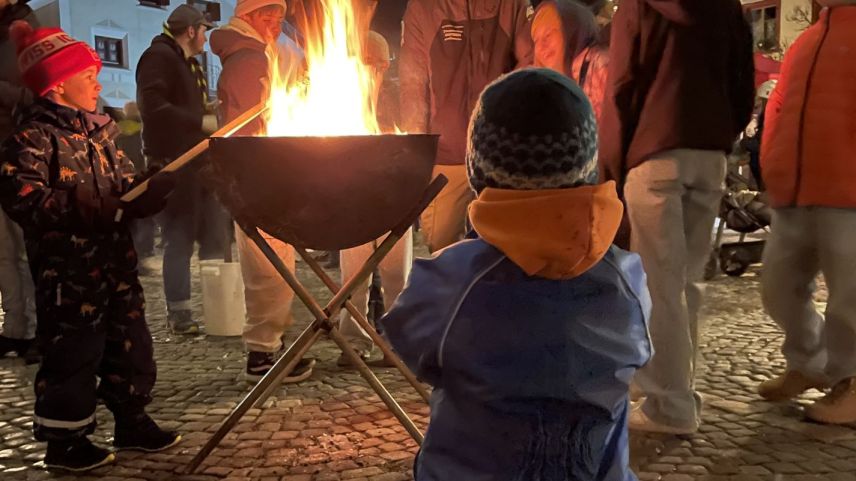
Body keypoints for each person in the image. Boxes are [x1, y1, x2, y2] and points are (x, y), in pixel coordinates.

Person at [381, 68, 651, 480]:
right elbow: (637, 353)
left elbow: (410, 344)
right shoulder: (626, 277)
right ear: (587, 168)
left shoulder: (452, 280)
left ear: (479, 172)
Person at [0, 21, 180, 471]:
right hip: (68, 275)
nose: (99, 83)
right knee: (73, 355)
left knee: (131, 345)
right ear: (58, 84)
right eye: (89, 75)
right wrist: (94, 206)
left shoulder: (101, 134)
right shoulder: (31, 138)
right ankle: (65, 441)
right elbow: (24, 198)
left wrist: (147, 190)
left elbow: (122, 188)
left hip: (116, 267)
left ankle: (131, 419)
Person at [599, 0, 755, 434]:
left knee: (658, 284)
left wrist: (610, 168)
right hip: (710, 155)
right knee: (686, 283)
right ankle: (677, 389)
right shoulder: (727, 8)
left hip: (655, 152)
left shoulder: (638, 6)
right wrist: (719, 132)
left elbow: (622, 85)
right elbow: (742, 85)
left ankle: (669, 405)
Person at [757, 0, 856, 425]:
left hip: (847, 189)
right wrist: (772, 164)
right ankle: (807, 362)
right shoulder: (808, 39)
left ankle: (850, 381)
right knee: (777, 288)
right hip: (794, 190)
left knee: (850, 299)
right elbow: (779, 106)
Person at [211, 0, 315, 383]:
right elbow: (249, 128)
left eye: (279, 14)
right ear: (247, 16)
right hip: (257, 177)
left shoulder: (255, 52)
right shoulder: (249, 58)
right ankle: (262, 354)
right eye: (266, 12)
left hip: (257, 175)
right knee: (268, 268)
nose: (274, 20)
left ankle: (271, 346)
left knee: (273, 265)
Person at [399, 0, 533, 253]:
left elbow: (529, 64)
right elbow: (413, 84)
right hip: (446, 153)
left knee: (503, 247)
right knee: (442, 246)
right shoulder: (424, 7)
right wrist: (417, 155)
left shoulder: (511, 4)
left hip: (500, 151)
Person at [137, 4, 229, 335]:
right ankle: (179, 313)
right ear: (190, 31)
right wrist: (198, 120)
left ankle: (220, 309)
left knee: (214, 235)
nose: (205, 37)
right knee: (179, 237)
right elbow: (153, 106)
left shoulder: (185, 62)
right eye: (203, 30)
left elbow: (176, 104)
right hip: (173, 164)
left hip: (197, 161)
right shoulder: (158, 57)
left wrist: (203, 109)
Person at [337, 1, 408, 368]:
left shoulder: (397, 96)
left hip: (394, 196)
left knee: (397, 276)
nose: (374, 69)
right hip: (354, 197)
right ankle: (353, 342)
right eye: (367, 62)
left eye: (379, 63)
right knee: (353, 278)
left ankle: (398, 344)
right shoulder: (338, 96)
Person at [0, 0, 37, 361]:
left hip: (20, 153)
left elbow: (36, 94)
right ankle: (13, 329)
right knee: (3, 253)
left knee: (26, 248)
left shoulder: (27, 29)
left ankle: (37, 330)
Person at [531, 0, 608, 121]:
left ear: (572, 31)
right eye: (536, 40)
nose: (542, 46)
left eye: (549, 35)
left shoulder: (599, 66)